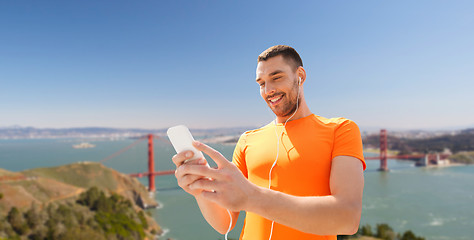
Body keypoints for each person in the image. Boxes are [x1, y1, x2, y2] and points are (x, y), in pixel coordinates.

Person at [172, 45, 366, 240]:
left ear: (300, 75)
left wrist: (252, 198)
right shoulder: (247, 140)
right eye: (261, 83)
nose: (268, 90)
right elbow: (225, 223)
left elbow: (347, 218)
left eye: (276, 77)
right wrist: (200, 189)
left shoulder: (341, 129)